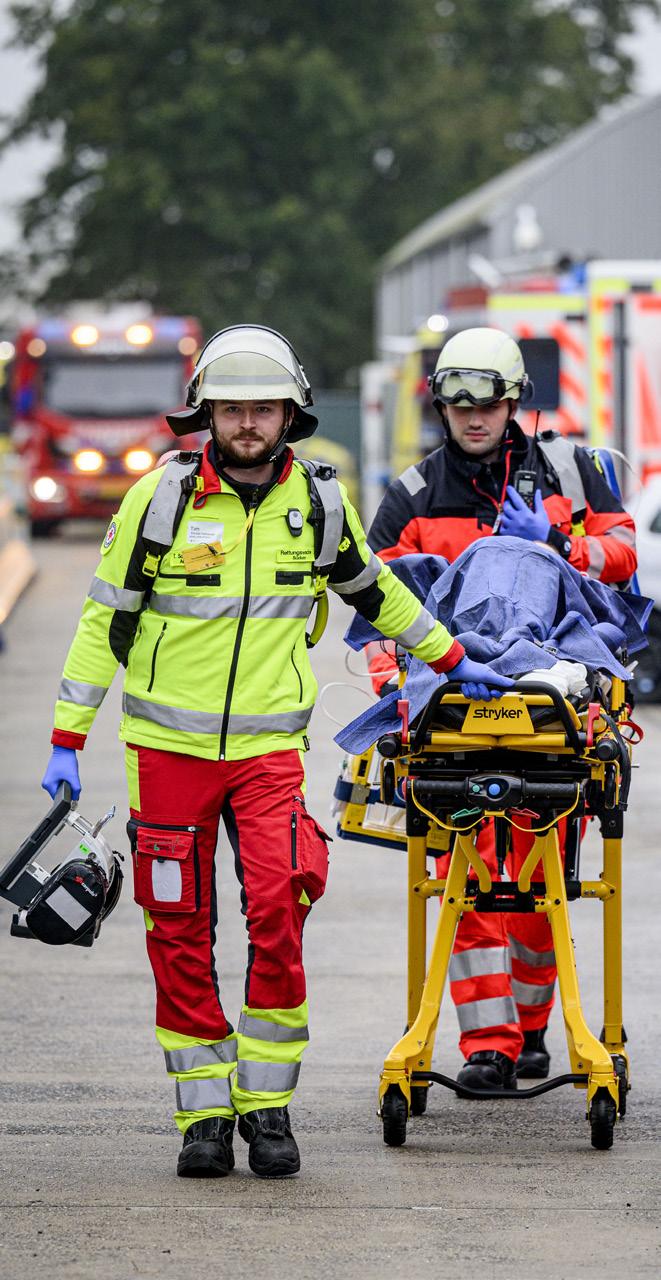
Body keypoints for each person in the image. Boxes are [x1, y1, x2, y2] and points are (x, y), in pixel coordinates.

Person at [41, 324, 510, 1179]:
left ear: (290, 414)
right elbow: (104, 618)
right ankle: (203, 1117)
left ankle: (266, 1108)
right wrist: (68, 736)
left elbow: (375, 590)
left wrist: (450, 658)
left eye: (263, 408)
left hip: (267, 755)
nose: (247, 422)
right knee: (176, 928)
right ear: (206, 414)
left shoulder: (319, 504)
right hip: (166, 754)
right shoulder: (159, 500)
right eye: (232, 409)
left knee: (279, 903)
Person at [367, 326, 637, 1093]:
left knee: (537, 881)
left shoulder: (570, 473)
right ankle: (488, 1043)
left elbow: (622, 559)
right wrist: (393, 687)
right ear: (440, 407)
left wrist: (557, 541)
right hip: (455, 719)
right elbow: (378, 603)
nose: (473, 416)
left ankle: (532, 1030)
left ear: (513, 401)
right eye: (458, 405)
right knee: (470, 878)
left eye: (486, 403)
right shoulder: (414, 495)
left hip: (552, 716)